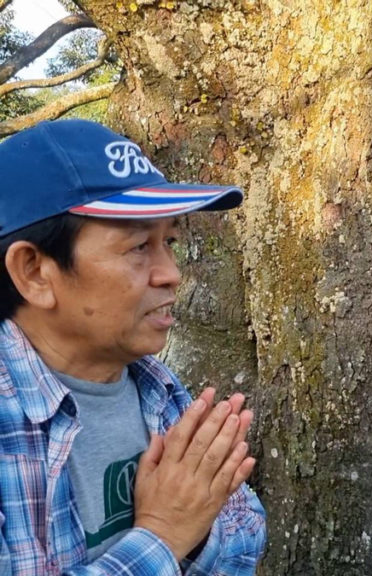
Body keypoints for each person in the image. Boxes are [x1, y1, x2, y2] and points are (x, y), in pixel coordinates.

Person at [0, 119, 266, 574]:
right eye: (140, 246)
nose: (170, 273)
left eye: (170, 243)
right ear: (34, 272)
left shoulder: (157, 387)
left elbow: (245, 530)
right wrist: (163, 535)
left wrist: (194, 533)